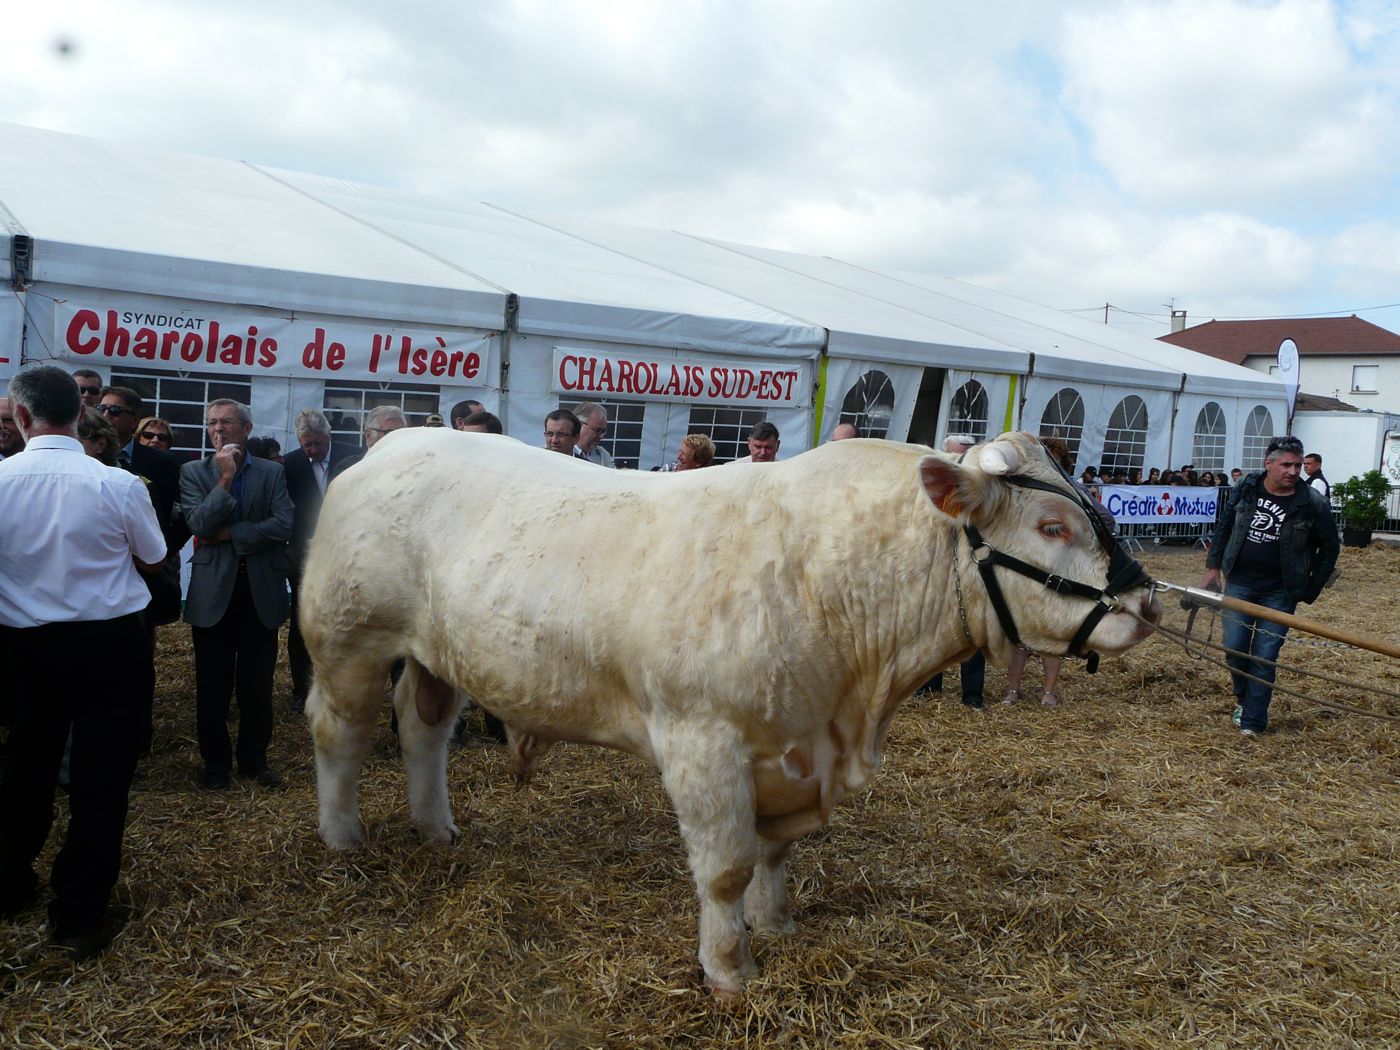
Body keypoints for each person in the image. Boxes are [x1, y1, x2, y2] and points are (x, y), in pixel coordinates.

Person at [0, 366, 166, 960]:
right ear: (80, 413)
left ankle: (10, 881)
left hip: (23, 648)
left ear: (22, 417)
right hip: (109, 646)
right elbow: (154, 557)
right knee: (101, 781)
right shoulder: (118, 484)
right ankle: (78, 914)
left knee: (24, 767)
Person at [179, 399, 294, 788]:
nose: (218, 429)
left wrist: (230, 534)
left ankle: (253, 761)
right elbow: (199, 524)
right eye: (212, 422)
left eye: (226, 422)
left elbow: (284, 523)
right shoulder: (194, 472)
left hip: (260, 592)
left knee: (256, 686)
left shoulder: (271, 473)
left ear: (246, 428)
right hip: (214, 593)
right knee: (212, 687)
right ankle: (215, 766)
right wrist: (225, 478)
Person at [1201, 436, 1340, 737]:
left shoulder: (1312, 502)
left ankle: (1253, 721)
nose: (1293, 471)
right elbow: (1225, 526)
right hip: (1239, 582)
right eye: (1286, 465)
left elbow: (1330, 546)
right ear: (1269, 464)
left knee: (1264, 655)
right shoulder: (1247, 487)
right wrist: (1213, 567)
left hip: (1280, 591)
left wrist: (1310, 587)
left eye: (1298, 465)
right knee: (1234, 648)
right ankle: (1243, 698)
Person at [282, 409, 358, 712]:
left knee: (346, 623)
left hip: (348, 554)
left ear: (329, 436)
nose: (313, 450)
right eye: (307, 445)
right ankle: (302, 689)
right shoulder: (290, 465)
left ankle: (345, 688)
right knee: (303, 622)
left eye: (318, 443)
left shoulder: (353, 457)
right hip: (305, 556)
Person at [925, 435, 985, 708]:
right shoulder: (931, 489)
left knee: (973, 629)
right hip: (937, 568)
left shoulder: (980, 490)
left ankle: (972, 693)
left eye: (964, 456)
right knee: (933, 626)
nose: (959, 462)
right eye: (954, 457)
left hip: (971, 568)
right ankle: (929, 685)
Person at [340, 405, 408, 469]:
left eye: (401, 432)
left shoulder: (409, 465)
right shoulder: (349, 468)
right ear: (369, 436)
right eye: (389, 433)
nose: (397, 438)